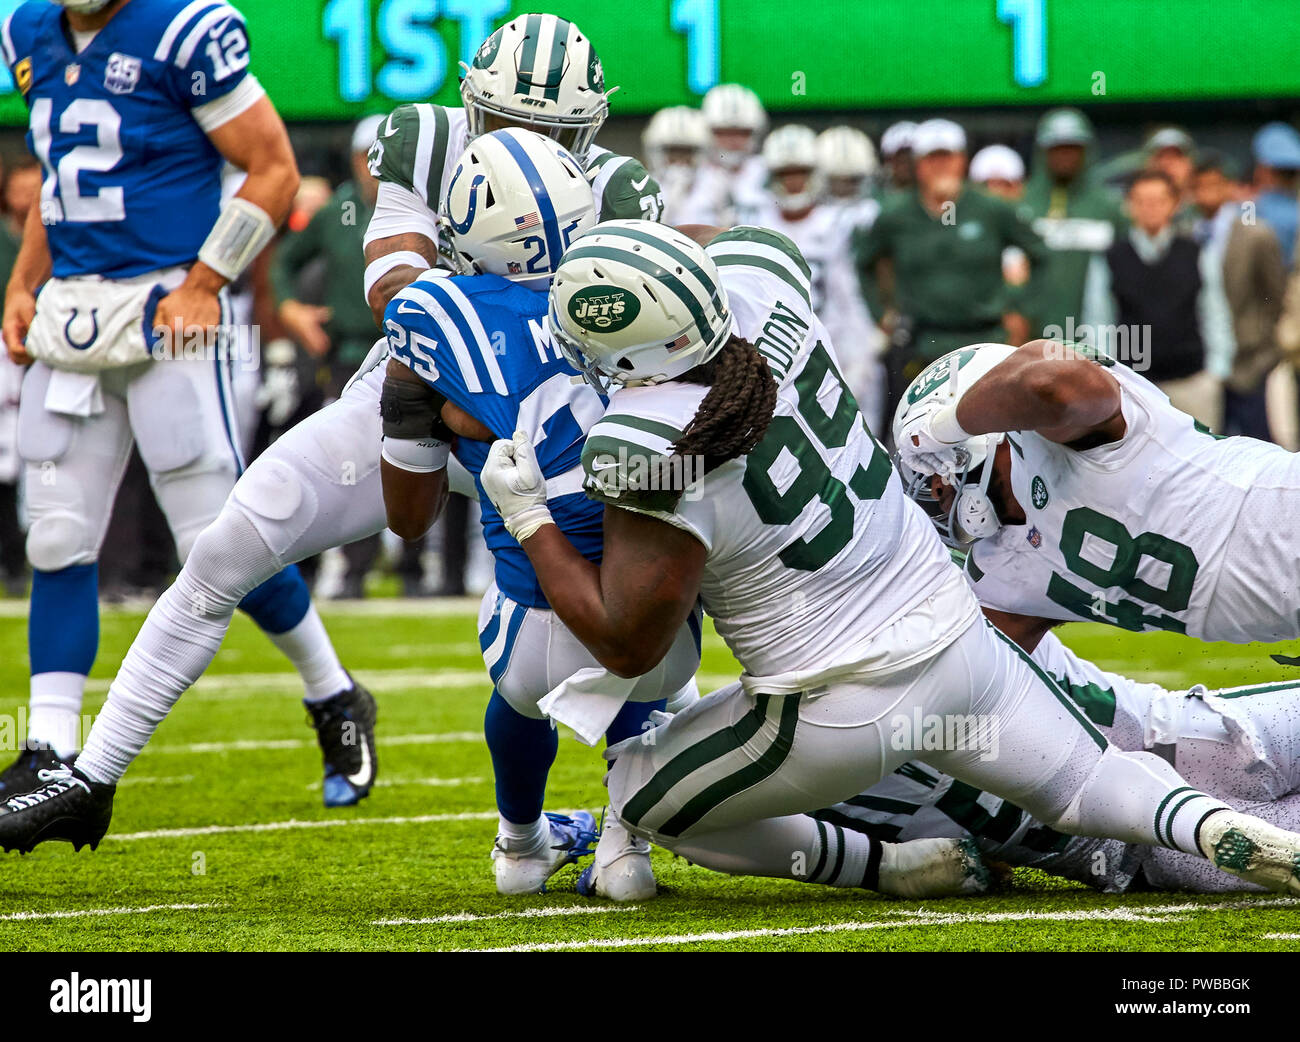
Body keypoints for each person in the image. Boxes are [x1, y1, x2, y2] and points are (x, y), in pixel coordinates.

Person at [0, 14, 675, 857]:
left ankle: (629, 828)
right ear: (471, 108)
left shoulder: (620, 189)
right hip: (412, 397)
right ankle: (90, 777)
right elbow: (398, 295)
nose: (527, 146)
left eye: (551, 133)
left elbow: (623, 354)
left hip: (555, 427)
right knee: (224, 550)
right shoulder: (423, 141)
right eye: (507, 125)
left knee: (647, 614)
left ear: (589, 129)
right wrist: (462, 394)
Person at [479, 219, 1300, 899]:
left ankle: (886, 869)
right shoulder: (762, 286)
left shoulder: (648, 441)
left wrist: (529, 520)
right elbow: (741, 242)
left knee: (640, 794)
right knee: (1088, 782)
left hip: (832, 700)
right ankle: (1207, 825)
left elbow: (630, 644)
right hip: (956, 640)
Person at [0, 0, 362, 802]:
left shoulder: (182, 29)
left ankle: (332, 691)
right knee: (57, 535)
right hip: (76, 309)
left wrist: (207, 283)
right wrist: (26, 280)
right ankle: (47, 751)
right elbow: (63, 186)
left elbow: (270, 169)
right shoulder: (28, 28)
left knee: (218, 540)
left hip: (173, 307)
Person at [379, 129, 700, 899]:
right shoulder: (642, 284)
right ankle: (626, 844)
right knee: (652, 650)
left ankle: (521, 845)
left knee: (524, 678)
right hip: (660, 631)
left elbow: (407, 517)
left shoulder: (434, 309)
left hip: (534, 640)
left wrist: (446, 419)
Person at [824, 629, 1300, 895]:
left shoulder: (800, 776)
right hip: (1191, 739)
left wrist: (885, 866)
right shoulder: (940, 594)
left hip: (1137, 846)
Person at [893, 340, 1300, 648]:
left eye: (933, 461)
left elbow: (1047, 384)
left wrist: (944, 425)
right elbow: (973, 676)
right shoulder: (1000, 571)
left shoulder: (1059, 433)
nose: (934, 485)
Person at [853, 118, 1047, 431]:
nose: (941, 166)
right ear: (918, 165)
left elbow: (1040, 254)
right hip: (921, 343)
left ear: (962, 161)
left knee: (993, 435)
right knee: (918, 435)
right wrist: (880, 314)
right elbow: (863, 262)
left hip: (985, 339)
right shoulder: (895, 215)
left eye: (948, 156)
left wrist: (1021, 308)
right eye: (932, 158)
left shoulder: (990, 209)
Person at [738, 124, 883, 430]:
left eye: (801, 172)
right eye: (785, 174)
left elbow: (846, 292)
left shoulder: (839, 222)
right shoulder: (752, 219)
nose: (793, 182)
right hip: (768, 341)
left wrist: (860, 349)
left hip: (825, 335)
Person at [1106, 170, 1228, 430]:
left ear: (1174, 204)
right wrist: (1107, 374)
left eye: (1159, 200)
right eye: (1142, 201)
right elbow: (1099, 317)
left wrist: (1216, 372)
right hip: (1132, 386)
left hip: (1192, 381)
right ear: (1129, 206)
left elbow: (1214, 310)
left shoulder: (1197, 252)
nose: (1151, 208)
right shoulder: (1112, 256)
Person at [1193, 151, 1286, 441]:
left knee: (1257, 444)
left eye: (1214, 185)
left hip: (1249, 361)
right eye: (1199, 186)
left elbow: (1275, 295)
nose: (1207, 193)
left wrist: (1262, 343)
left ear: (1228, 187)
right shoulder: (1187, 234)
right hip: (1201, 363)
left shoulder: (1256, 235)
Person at [1020, 108, 1125, 343]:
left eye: (1072, 149)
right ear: (1042, 152)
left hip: (1097, 338)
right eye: (1056, 149)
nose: (1065, 157)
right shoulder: (1023, 205)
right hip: (1035, 342)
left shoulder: (1108, 207)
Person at [675, 83, 766, 226]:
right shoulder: (688, 176)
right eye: (723, 132)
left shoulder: (768, 172)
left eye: (742, 133)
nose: (733, 141)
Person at [642, 106, 708, 225]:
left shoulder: (716, 187)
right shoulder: (642, 190)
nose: (680, 161)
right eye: (673, 152)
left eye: (687, 152)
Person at [816, 125, 878, 202]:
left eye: (852, 180)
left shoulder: (875, 210)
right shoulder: (811, 212)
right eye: (836, 181)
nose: (844, 188)